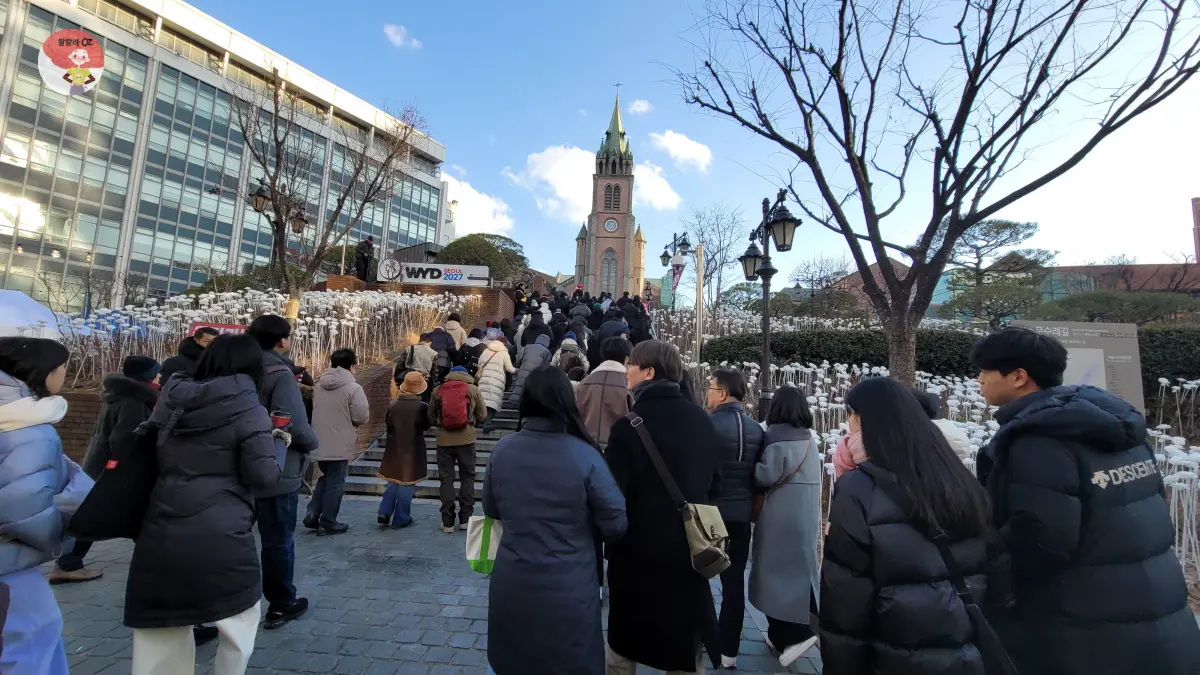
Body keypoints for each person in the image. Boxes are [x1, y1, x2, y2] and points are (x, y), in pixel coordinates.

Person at [971, 327, 1200, 674]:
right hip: (1153, 611)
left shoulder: (1038, 441)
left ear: (1018, 377)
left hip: (1081, 624)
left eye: (985, 370)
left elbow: (1040, 538)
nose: (979, 379)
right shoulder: (1122, 430)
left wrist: (992, 586)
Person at [820, 376, 1007, 675]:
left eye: (851, 416)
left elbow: (846, 602)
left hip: (893, 653)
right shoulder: (960, 480)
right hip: (963, 651)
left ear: (861, 420)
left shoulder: (859, 489)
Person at [126, 334, 282, 675]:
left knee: (161, 625)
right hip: (222, 530)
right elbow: (263, 476)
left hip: (162, 524)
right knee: (238, 620)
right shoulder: (249, 409)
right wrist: (279, 443)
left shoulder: (170, 399)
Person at [483, 367, 627, 675]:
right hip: (570, 584)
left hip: (513, 580)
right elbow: (616, 523)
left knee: (514, 660)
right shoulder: (585, 455)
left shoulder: (502, 449)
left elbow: (491, 509)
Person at [604, 340, 722, 674]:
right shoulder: (703, 421)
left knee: (623, 645)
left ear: (649, 372)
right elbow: (716, 484)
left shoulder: (628, 426)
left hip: (635, 553)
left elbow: (612, 495)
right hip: (687, 552)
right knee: (682, 645)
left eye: (631, 365)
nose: (626, 371)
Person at [0, 337, 90, 675]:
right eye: (62, 366)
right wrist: (71, 522)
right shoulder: (27, 429)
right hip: (10, 560)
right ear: (43, 371)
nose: (65, 373)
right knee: (30, 638)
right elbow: (26, 511)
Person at [48, 355, 160, 585]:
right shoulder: (134, 400)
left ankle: (70, 562)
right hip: (118, 470)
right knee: (103, 515)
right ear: (146, 376)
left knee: (116, 514)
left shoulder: (117, 395)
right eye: (156, 372)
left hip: (102, 464)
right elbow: (124, 438)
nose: (160, 376)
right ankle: (68, 563)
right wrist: (129, 465)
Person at [246, 315, 318, 630]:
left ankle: (218, 608)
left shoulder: (233, 367)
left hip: (235, 467)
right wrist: (312, 442)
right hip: (276, 467)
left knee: (229, 537)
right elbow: (293, 424)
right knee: (277, 540)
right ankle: (280, 603)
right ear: (282, 341)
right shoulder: (279, 373)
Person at [750, 385, 821, 668]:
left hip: (779, 517)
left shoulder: (775, 438)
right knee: (798, 574)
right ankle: (780, 636)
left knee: (773, 575)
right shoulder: (809, 438)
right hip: (806, 515)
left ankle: (796, 635)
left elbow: (764, 476)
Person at [704, 368, 764, 669]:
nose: (707, 393)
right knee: (733, 582)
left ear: (723, 393)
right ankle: (730, 650)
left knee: (699, 577)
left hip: (710, 514)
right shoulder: (756, 430)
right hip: (741, 515)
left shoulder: (708, 425)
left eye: (711, 388)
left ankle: (701, 637)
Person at [304, 349, 369, 535]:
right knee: (336, 481)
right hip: (341, 440)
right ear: (352, 365)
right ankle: (328, 520)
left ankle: (313, 513)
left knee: (327, 477)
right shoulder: (353, 388)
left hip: (319, 439)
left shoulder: (319, 385)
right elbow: (361, 416)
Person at [428, 365, 488, 533]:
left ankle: (447, 521)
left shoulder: (438, 390)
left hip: (444, 441)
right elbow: (483, 415)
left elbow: (431, 417)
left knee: (446, 479)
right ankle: (465, 520)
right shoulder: (472, 389)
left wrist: (441, 423)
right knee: (467, 478)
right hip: (466, 440)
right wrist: (472, 422)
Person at [378, 370, 431, 529]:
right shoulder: (422, 407)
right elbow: (426, 425)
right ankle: (401, 517)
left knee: (393, 480)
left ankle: (384, 511)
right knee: (408, 481)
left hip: (394, 447)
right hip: (412, 449)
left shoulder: (393, 405)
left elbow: (388, 424)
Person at [575, 337, 633, 450]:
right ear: (626, 358)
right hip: (618, 449)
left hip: (586, 447)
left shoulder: (584, 383)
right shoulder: (628, 385)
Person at [476, 336, 516, 433]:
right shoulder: (504, 352)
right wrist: (519, 370)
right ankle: (487, 423)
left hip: (484, 379)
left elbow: (479, 363)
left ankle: (482, 421)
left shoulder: (486, 350)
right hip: (497, 381)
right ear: (505, 343)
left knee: (484, 401)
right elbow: (510, 369)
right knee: (493, 402)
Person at [511, 334, 551, 405]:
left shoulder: (527, 347)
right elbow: (545, 366)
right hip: (534, 374)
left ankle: (514, 400)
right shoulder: (547, 352)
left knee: (519, 386)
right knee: (529, 391)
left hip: (523, 371)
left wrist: (519, 365)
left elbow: (519, 358)